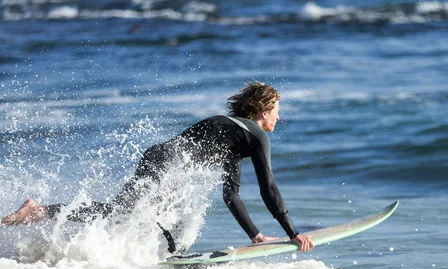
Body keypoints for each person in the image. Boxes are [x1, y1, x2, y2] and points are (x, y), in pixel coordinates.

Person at [1, 82, 315, 253]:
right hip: (169, 164)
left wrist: (257, 236)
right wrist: (293, 232)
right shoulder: (256, 134)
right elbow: (268, 188)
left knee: (118, 213)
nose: (278, 117)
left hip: (161, 158)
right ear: (262, 110)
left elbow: (231, 196)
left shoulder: (234, 135)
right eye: (276, 111)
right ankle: (39, 212)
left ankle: (41, 212)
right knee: (121, 214)